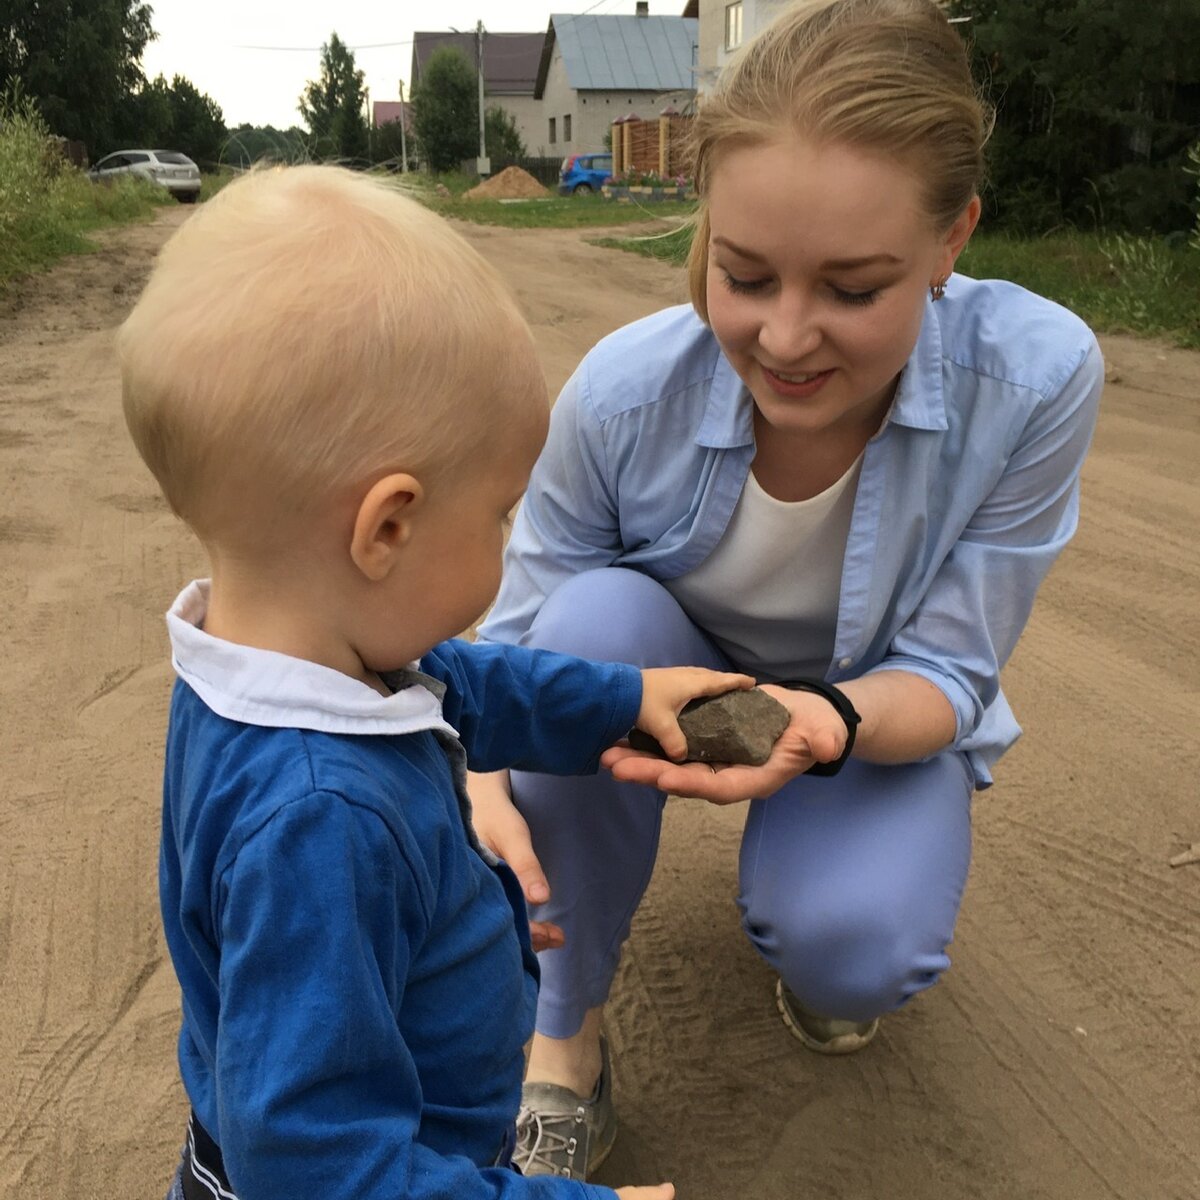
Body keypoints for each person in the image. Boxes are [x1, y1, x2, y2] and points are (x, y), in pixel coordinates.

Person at [467, 0, 1105, 1180]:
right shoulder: (619, 397)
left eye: (856, 289)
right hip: (663, 662)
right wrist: (483, 776)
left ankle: (818, 923)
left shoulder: (1039, 380)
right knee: (586, 634)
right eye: (745, 275)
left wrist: (829, 728)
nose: (788, 338)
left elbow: (956, 668)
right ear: (707, 225)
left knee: (854, 947)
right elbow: (514, 642)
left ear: (953, 237)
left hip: (868, 706)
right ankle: (562, 1037)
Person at [119, 164, 757, 1200]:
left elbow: (466, 687)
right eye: (502, 512)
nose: (511, 539)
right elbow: (321, 1169)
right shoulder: (320, 822)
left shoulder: (276, 664)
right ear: (389, 528)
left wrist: (625, 701)